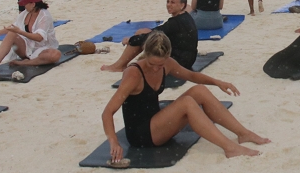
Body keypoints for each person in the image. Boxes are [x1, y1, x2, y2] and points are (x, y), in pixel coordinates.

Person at [102, 32, 268, 160]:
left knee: (199, 90)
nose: (155, 69)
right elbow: (107, 112)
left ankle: (243, 133)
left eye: (160, 65)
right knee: (187, 103)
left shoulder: (166, 64)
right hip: (141, 135)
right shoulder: (133, 74)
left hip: (156, 120)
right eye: (152, 64)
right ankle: (229, 147)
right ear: (145, 55)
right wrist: (113, 141)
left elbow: (192, 76)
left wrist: (218, 82)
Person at [101, 0, 198, 72]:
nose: (168, 5)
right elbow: (159, 31)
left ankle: (119, 66)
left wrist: (131, 40)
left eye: (172, 2)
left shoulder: (176, 22)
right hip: (188, 59)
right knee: (143, 32)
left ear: (182, 5)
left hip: (180, 62)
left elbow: (153, 36)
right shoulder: (185, 17)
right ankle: (122, 64)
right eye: (167, 2)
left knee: (141, 38)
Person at [0, 0, 61, 73]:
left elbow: (39, 38)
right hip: (26, 47)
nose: (24, 6)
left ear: (33, 4)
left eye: (26, 4)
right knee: (12, 33)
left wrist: (20, 32)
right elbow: (12, 28)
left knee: (55, 55)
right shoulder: (24, 14)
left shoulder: (45, 16)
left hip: (43, 48)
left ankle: (26, 63)